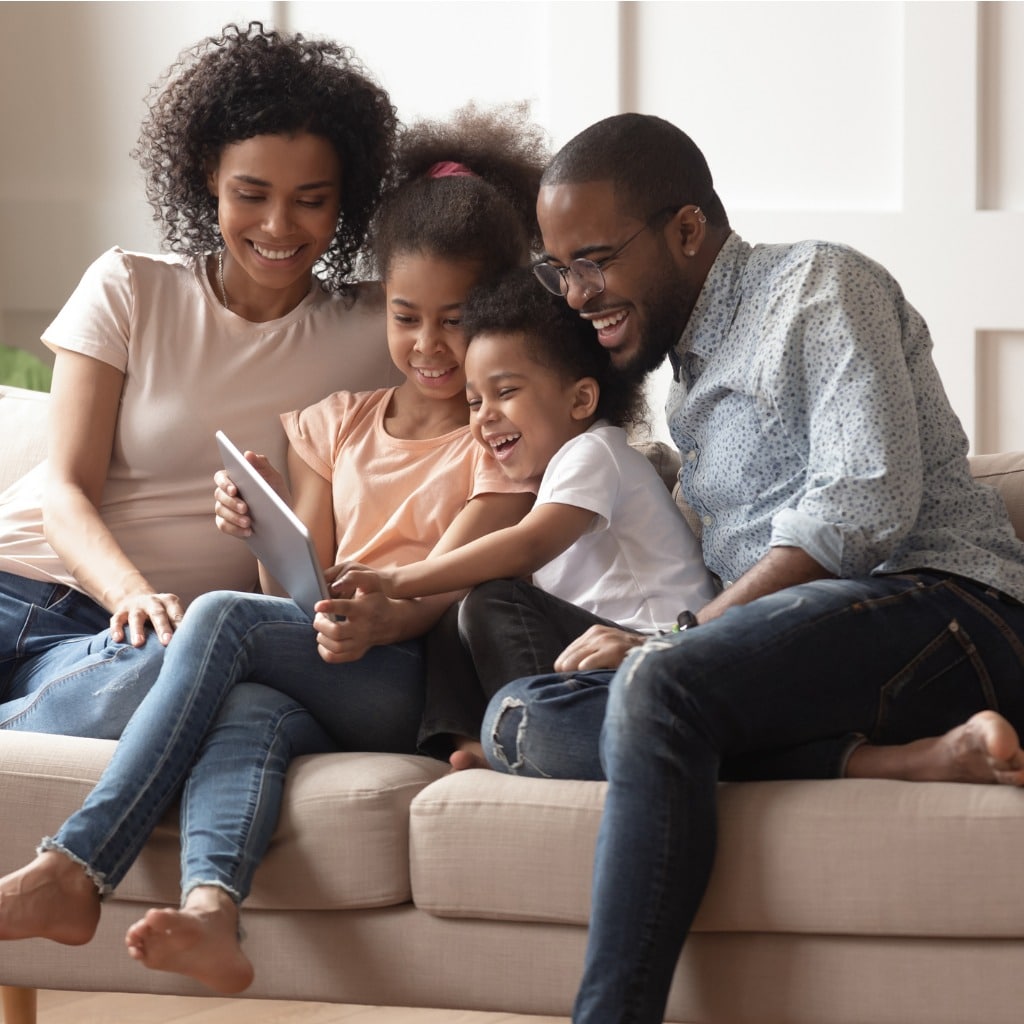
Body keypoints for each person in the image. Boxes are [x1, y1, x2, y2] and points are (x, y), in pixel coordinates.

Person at [481, 113, 1024, 1024]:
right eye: (558, 267)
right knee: (516, 716)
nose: (574, 295)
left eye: (595, 260)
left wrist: (679, 642)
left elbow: (859, 508)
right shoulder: (687, 372)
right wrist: (670, 641)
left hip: (944, 612)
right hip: (812, 655)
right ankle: (895, 762)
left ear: (686, 230)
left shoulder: (819, 287)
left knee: (657, 685)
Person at [0, 104, 547, 996]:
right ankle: (214, 910)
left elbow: (465, 571)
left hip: (400, 665)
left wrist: (383, 607)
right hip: (303, 649)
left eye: (454, 321)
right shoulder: (336, 420)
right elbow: (293, 583)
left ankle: (75, 867)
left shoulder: (500, 442)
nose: (425, 344)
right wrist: (264, 532)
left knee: (212, 623)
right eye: (405, 318)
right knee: (248, 711)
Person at [0, 21, 398, 738]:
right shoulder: (129, 286)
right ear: (208, 176)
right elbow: (63, 491)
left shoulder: (383, 331)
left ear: (347, 200)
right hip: (22, 584)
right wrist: (132, 594)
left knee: (171, 673)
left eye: (311, 199)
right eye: (251, 193)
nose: (278, 226)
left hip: (131, 650)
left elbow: (494, 295)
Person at [343, 268, 715, 770]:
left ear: (581, 399)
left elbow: (527, 545)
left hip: (648, 658)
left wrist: (397, 578)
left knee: (492, 597)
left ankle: (535, 729)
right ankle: (467, 740)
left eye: (505, 392)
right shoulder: (550, 480)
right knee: (458, 608)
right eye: (475, 401)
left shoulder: (596, 452)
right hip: (594, 659)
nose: (484, 416)